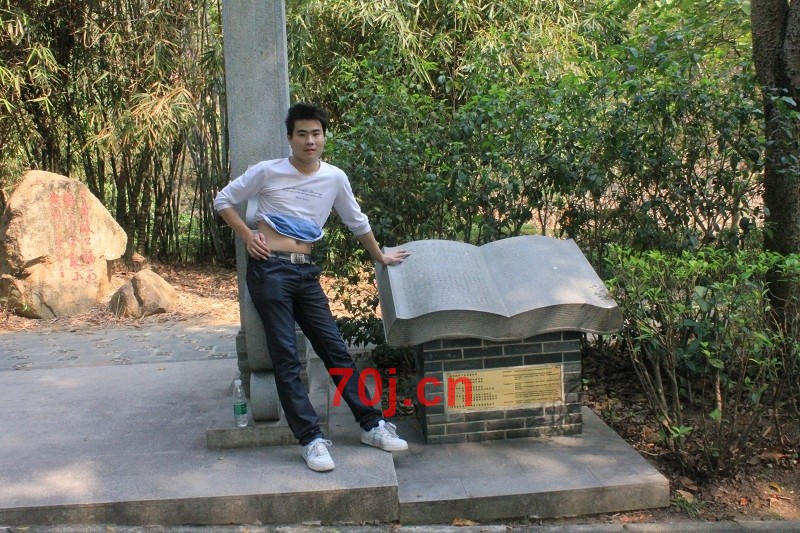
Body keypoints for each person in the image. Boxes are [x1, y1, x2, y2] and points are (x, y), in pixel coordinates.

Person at [213, 102, 410, 472]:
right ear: (290, 138)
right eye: (301, 134)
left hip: (306, 272)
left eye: (316, 133)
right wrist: (247, 235)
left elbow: (356, 220)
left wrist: (379, 256)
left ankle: (372, 425)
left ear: (324, 137)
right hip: (270, 269)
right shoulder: (268, 171)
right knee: (286, 356)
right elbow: (223, 200)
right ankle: (311, 439)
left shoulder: (334, 177)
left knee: (334, 349)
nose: (309, 141)